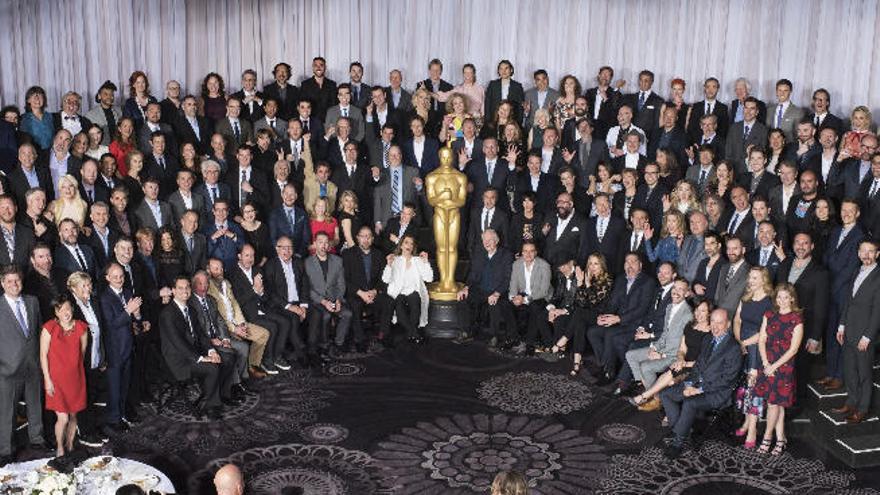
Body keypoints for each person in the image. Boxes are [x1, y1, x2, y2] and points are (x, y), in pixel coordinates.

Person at [661, 308, 742, 459]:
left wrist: (700, 389)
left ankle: (678, 442)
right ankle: (681, 428)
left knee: (690, 403)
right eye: (713, 322)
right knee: (665, 393)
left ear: (728, 324)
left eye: (720, 323)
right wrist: (688, 384)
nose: (715, 327)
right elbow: (698, 366)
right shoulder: (707, 339)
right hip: (697, 384)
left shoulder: (734, 348)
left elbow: (727, 380)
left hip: (717, 393)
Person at [159, 275, 235, 420]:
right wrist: (201, 358)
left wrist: (211, 351)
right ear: (173, 291)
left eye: (187, 287)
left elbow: (200, 335)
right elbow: (178, 343)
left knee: (227, 358)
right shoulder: (168, 314)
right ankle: (211, 406)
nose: (185, 291)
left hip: (192, 352)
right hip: (177, 361)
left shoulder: (191, 310)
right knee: (212, 367)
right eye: (180, 288)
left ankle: (212, 395)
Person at [629, 298, 713, 412]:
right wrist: (681, 359)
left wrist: (685, 363)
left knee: (670, 378)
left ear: (709, 313)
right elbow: (682, 349)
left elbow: (705, 360)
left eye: (703, 311)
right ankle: (655, 400)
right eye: (697, 310)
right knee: (670, 375)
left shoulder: (711, 332)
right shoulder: (690, 326)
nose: (698, 313)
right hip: (681, 363)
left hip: (696, 367)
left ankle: (645, 397)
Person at [753, 283, 804, 454]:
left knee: (774, 404)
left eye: (785, 297)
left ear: (792, 298)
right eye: (779, 297)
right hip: (767, 364)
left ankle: (767, 437)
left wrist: (774, 366)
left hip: (783, 368)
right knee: (776, 404)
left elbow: (793, 349)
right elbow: (761, 340)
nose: (782, 301)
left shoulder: (796, 319)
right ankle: (781, 439)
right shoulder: (769, 314)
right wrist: (766, 363)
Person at [833, 239, 880, 423]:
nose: (866, 255)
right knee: (850, 370)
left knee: (864, 373)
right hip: (849, 330)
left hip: (865, 334)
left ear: (877, 254)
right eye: (863, 251)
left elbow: (878, 310)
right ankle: (851, 402)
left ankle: (862, 409)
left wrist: (868, 336)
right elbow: (849, 301)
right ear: (858, 252)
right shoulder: (857, 270)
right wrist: (841, 325)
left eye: (871, 251)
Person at [0, 266, 44, 463]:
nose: (14, 284)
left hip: (32, 364)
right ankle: (6, 449)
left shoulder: (32, 301)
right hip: (7, 368)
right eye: (9, 281)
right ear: (2, 284)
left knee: (35, 404)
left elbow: (39, 331)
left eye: (16, 280)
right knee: (7, 410)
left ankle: (37, 440)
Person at [39, 294, 88, 457]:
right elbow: (43, 356)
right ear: (56, 311)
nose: (66, 312)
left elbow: (81, 353)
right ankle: (60, 447)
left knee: (74, 416)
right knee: (63, 418)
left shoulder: (81, 327)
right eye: (61, 309)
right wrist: (47, 380)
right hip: (56, 381)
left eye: (68, 308)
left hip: (76, 380)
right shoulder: (49, 328)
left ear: (72, 309)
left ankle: (70, 445)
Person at [733, 267, 774, 448]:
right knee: (745, 385)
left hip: (759, 346)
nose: (751, 280)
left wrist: (747, 342)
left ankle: (752, 430)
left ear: (764, 279)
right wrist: (739, 340)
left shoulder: (769, 301)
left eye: (755, 278)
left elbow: (768, 330)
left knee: (753, 386)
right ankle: (746, 422)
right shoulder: (746, 296)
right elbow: (737, 320)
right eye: (750, 277)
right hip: (743, 343)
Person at [457, 229, 514, 347]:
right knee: (463, 298)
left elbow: (508, 278)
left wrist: (497, 293)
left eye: (489, 240)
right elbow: (473, 274)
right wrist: (466, 287)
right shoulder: (479, 254)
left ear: (496, 241)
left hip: (497, 290)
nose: (486, 243)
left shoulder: (506, 255)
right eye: (484, 240)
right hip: (481, 289)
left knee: (494, 304)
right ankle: (466, 332)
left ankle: (495, 336)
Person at [304, 231, 352, 357]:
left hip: (334, 298)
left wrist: (338, 300)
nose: (323, 245)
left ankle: (338, 343)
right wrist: (323, 301)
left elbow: (341, 284)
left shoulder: (337, 261)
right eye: (320, 242)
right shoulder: (307, 263)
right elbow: (307, 289)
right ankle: (324, 345)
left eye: (326, 243)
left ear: (329, 245)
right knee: (325, 316)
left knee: (347, 314)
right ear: (315, 244)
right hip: (317, 301)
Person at [382, 234, 434, 344]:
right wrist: (389, 265)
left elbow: (429, 278)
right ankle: (414, 333)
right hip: (399, 292)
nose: (409, 245)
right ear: (401, 245)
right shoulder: (395, 260)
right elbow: (386, 279)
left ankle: (412, 333)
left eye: (411, 243)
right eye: (406, 242)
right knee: (399, 306)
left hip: (413, 291)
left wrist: (425, 262)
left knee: (415, 299)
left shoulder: (417, 260)